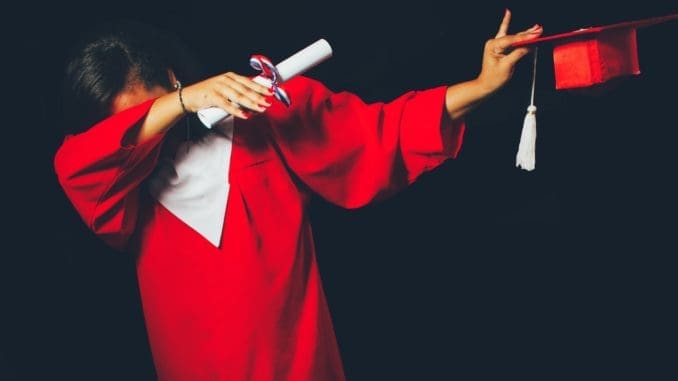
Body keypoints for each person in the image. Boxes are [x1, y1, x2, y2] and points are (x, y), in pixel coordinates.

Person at [54, 10, 542, 381]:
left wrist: (482, 86)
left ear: (172, 76)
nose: (147, 134)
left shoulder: (263, 118)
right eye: (133, 126)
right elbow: (78, 163)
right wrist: (178, 104)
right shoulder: (115, 183)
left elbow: (380, 131)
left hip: (295, 364)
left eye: (150, 111)